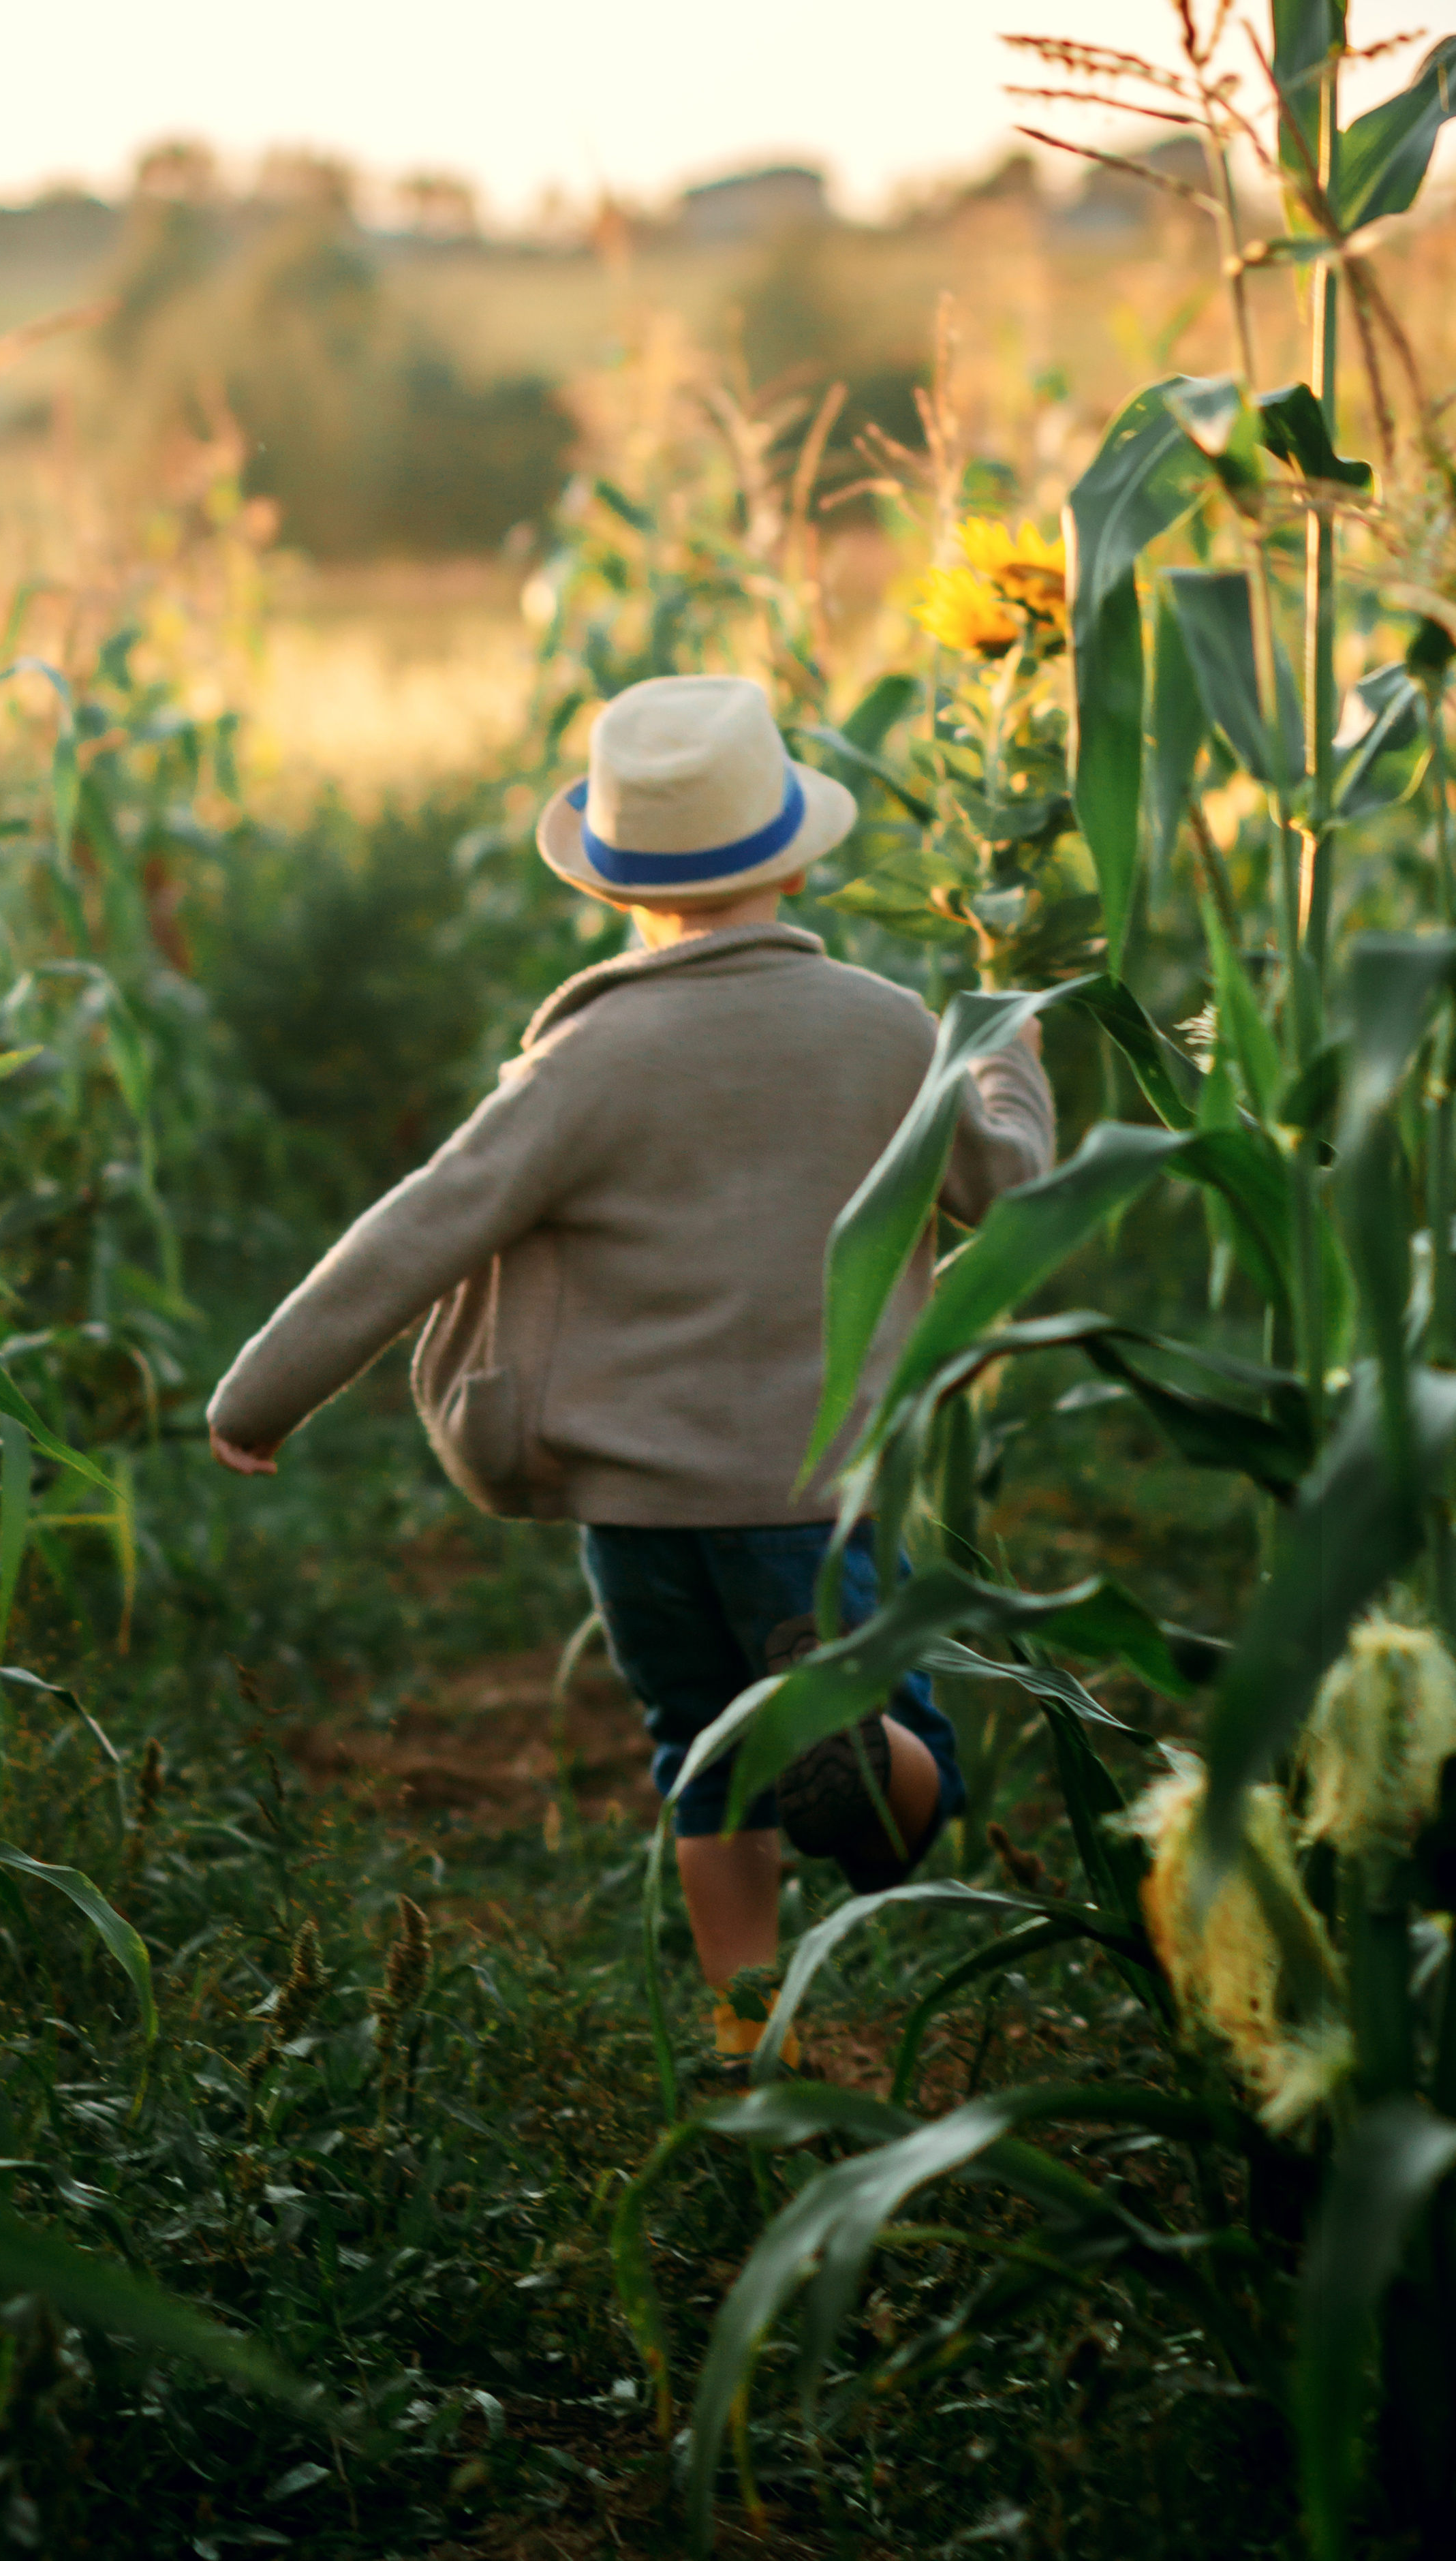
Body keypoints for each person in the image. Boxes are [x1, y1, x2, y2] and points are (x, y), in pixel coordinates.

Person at [209, 674, 1053, 2068]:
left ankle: (741, 2031)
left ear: (614, 887)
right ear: (792, 855)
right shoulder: (884, 1026)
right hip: (809, 1487)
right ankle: (842, 1743)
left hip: (638, 1513)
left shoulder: (580, 1060)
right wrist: (1006, 1057)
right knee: (910, 1774)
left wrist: (259, 1395)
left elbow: (416, 1226)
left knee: (697, 1753)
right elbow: (1004, 1190)